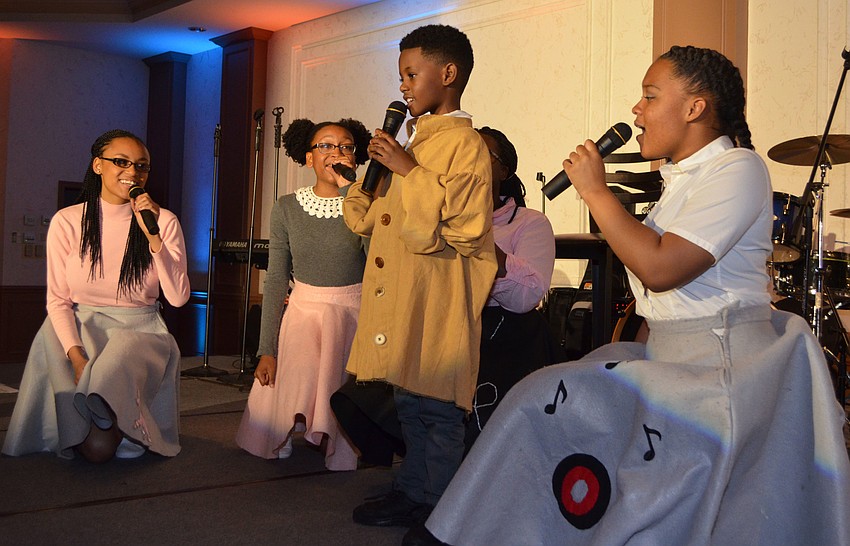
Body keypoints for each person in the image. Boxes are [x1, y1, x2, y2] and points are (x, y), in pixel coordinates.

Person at [407, 46, 850, 546]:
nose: (636, 110)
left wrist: (596, 192)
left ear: (695, 107)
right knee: (535, 397)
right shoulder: (682, 180)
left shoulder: (739, 168)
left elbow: (660, 269)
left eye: (650, 96)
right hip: (670, 355)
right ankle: (469, 529)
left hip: (720, 366)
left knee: (627, 461)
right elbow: (661, 305)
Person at [342, 24, 497, 531]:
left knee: (439, 408)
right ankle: (413, 491)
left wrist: (409, 170)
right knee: (408, 399)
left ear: (448, 74)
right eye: (401, 77)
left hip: (441, 299)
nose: (403, 86)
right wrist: (367, 178)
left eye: (412, 74)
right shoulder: (413, 142)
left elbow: (467, 227)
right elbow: (370, 220)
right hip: (407, 297)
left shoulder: (466, 144)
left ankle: (444, 509)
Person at [2, 129, 189, 463]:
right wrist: (76, 358)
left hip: (139, 331)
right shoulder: (68, 221)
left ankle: (126, 420)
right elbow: (58, 300)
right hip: (80, 328)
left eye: (141, 166)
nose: (133, 172)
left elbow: (177, 298)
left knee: (102, 439)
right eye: (121, 162)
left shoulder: (164, 221)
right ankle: (110, 419)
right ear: (98, 165)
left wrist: (153, 237)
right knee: (95, 449)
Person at [235, 117, 371, 471]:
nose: (336, 152)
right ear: (309, 157)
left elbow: (376, 258)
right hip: (303, 309)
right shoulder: (286, 207)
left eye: (345, 146)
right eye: (325, 145)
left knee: (336, 387)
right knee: (298, 361)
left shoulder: (367, 204)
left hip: (351, 312)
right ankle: (287, 424)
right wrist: (267, 350)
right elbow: (277, 278)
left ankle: (331, 433)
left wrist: (352, 195)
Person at [465, 126, 561, 449]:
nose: (469, 160)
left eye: (481, 153)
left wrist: (477, 238)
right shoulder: (437, 218)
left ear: (503, 171)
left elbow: (527, 296)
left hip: (504, 335)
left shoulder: (529, 222)